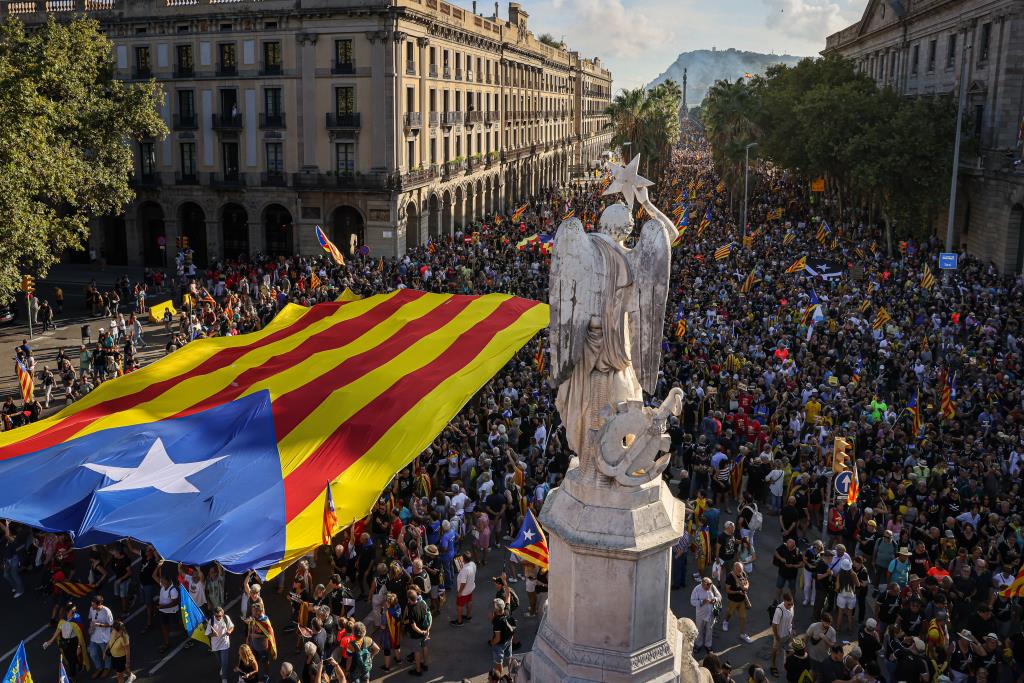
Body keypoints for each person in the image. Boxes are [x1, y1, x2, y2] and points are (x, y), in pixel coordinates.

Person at [690, 575, 721, 655]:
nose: (708, 588)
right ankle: (698, 644)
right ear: (702, 584)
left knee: (709, 630)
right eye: (707, 587)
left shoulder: (712, 587)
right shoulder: (697, 589)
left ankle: (708, 645)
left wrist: (715, 599)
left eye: (710, 586)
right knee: (699, 630)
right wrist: (702, 602)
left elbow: (719, 596)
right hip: (701, 615)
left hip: (711, 614)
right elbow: (692, 601)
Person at [405, 587, 431, 676]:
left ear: (409, 599)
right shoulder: (423, 604)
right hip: (425, 630)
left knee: (417, 652)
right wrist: (427, 630)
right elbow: (429, 616)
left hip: (417, 635)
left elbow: (414, 626)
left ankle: (418, 670)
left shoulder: (411, 610)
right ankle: (426, 665)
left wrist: (421, 632)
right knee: (425, 647)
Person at [154, 562, 180, 653]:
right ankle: (166, 643)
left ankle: (187, 636)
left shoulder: (173, 591)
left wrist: (162, 606)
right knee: (164, 626)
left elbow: (174, 603)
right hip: (163, 611)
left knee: (178, 626)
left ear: (169, 581)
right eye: (161, 581)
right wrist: (158, 567)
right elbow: (154, 576)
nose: (162, 583)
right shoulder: (163, 585)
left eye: (164, 582)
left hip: (172, 611)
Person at [724, 561, 752, 643]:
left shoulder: (743, 573)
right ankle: (726, 621)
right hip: (733, 600)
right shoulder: (730, 577)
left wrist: (746, 587)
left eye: (741, 570)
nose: (740, 572)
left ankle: (743, 634)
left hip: (742, 600)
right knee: (730, 613)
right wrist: (737, 592)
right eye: (738, 570)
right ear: (734, 569)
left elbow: (747, 582)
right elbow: (727, 590)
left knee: (742, 617)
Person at [769, 592, 795, 678]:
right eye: (789, 604)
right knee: (775, 650)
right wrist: (777, 637)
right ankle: (773, 666)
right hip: (780, 636)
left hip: (788, 634)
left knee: (789, 650)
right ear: (784, 601)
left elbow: (791, 618)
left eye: (792, 603)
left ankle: (786, 665)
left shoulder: (791, 606)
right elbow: (774, 625)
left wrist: (792, 630)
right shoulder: (779, 610)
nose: (791, 606)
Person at [205, 605, 234, 683]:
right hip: (215, 645)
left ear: (223, 614)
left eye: (220, 616)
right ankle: (222, 668)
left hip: (225, 644)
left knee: (224, 662)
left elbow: (232, 626)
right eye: (217, 616)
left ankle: (224, 678)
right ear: (214, 614)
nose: (219, 618)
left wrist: (229, 631)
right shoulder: (211, 621)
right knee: (220, 661)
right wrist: (213, 635)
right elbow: (207, 634)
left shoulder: (226, 618)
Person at [88, 594, 114, 677]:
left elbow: (110, 624)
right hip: (94, 637)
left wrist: (99, 625)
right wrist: (91, 626)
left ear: (99, 604)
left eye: (93, 604)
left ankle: (107, 668)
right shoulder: (91, 609)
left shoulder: (106, 611)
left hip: (103, 638)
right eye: (91, 604)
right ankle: (99, 668)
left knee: (106, 655)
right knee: (93, 654)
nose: (92, 606)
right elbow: (90, 618)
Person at [489, 597, 515, 678]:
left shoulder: (497, 622)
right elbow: (508, 600)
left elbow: (497, 638)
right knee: (509, 657)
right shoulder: (507, 611)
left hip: (500, 644)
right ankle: (510, 675)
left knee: (498, 662)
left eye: (493, 606)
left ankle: (498, 678)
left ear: (496, 609)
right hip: (509, 640)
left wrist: (492, 643)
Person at [451, 550, 476, 625]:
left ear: (463, 559)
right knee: (469, 601)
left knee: (459, 605)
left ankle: (459, 621)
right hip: (471, 588)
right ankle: (468, 616)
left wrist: (460, 592)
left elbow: (463, 583)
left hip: (464, 592)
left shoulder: (464, 570)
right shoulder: (473, 564)